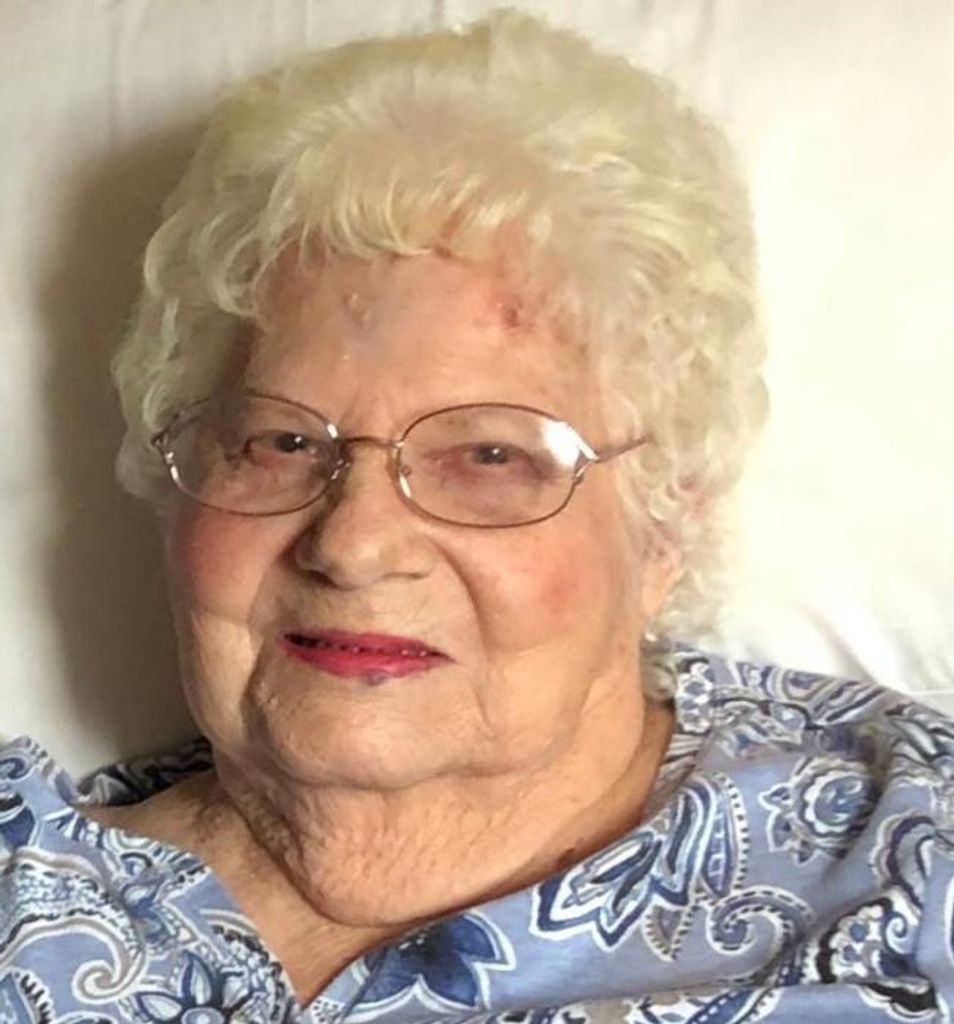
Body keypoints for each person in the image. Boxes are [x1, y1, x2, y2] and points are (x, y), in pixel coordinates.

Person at [1, 9, 952, 1023]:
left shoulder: (907, 857)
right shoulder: (30, 889)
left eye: (490, 456)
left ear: (666, 522)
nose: (354, 544)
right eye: (281, 442)